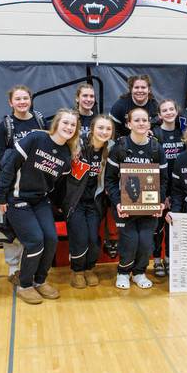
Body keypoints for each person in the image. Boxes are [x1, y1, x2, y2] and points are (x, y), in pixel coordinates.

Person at [0, 109, 79, 305]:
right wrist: (1, 196)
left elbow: (58, 186)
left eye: (72, 125)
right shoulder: (36, 138)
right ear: (56, 123)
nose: (68, 127)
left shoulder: (66, 154)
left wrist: (61, 205)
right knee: (35, 240)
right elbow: (10, 165)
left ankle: (40, 280)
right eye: (65, 123)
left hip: (40, 200)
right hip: (17, 198)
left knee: (51, 238)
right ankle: (25, 284)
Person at [105, 107, 167, 290]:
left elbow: (163, 180)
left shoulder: (156, 148)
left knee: (146, 242)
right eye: (137, 120)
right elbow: (110, 180)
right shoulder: (120, 147)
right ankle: (123, 272)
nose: (141, 123)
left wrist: (160, 202)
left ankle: (139, 272)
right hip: (125, 207)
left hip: (149, 206)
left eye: (144, 120)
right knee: (130, 241)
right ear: (128, 124)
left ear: (149, 123)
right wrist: (118, 203)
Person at [0, 85, 46, 286]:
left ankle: (29, 267)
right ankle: (13, 268)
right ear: (10, 102)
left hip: (34, 182)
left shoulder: (40, 121)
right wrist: (17, 161)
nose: (22, 102)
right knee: (11, 228)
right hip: (11, 183)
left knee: (31, 230)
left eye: (25, 98)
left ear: (31, 100)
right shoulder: (5, 125)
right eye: (18, 99)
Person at [61, 115, 114, 288]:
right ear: (92, 129)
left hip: (95, 202)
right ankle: (77, 271)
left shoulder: (111, 149)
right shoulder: (76, 144)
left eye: (108, 129)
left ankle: (89, 268)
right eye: (100, 128)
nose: (104, 132)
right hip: (75, 201)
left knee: (93, 238)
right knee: (80, 237)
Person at [151, 98, 185, 277]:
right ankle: (157, 259)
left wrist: (174, 194)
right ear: (159, 115)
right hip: (159, 187)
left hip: (178, 189)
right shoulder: (155, 134)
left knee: (174, 226)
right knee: (157, 227)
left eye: (171, 109)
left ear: (176, 111)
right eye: (164, 110)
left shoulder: (183, 132)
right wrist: (162, 194)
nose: (169, 112)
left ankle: (169, 259)